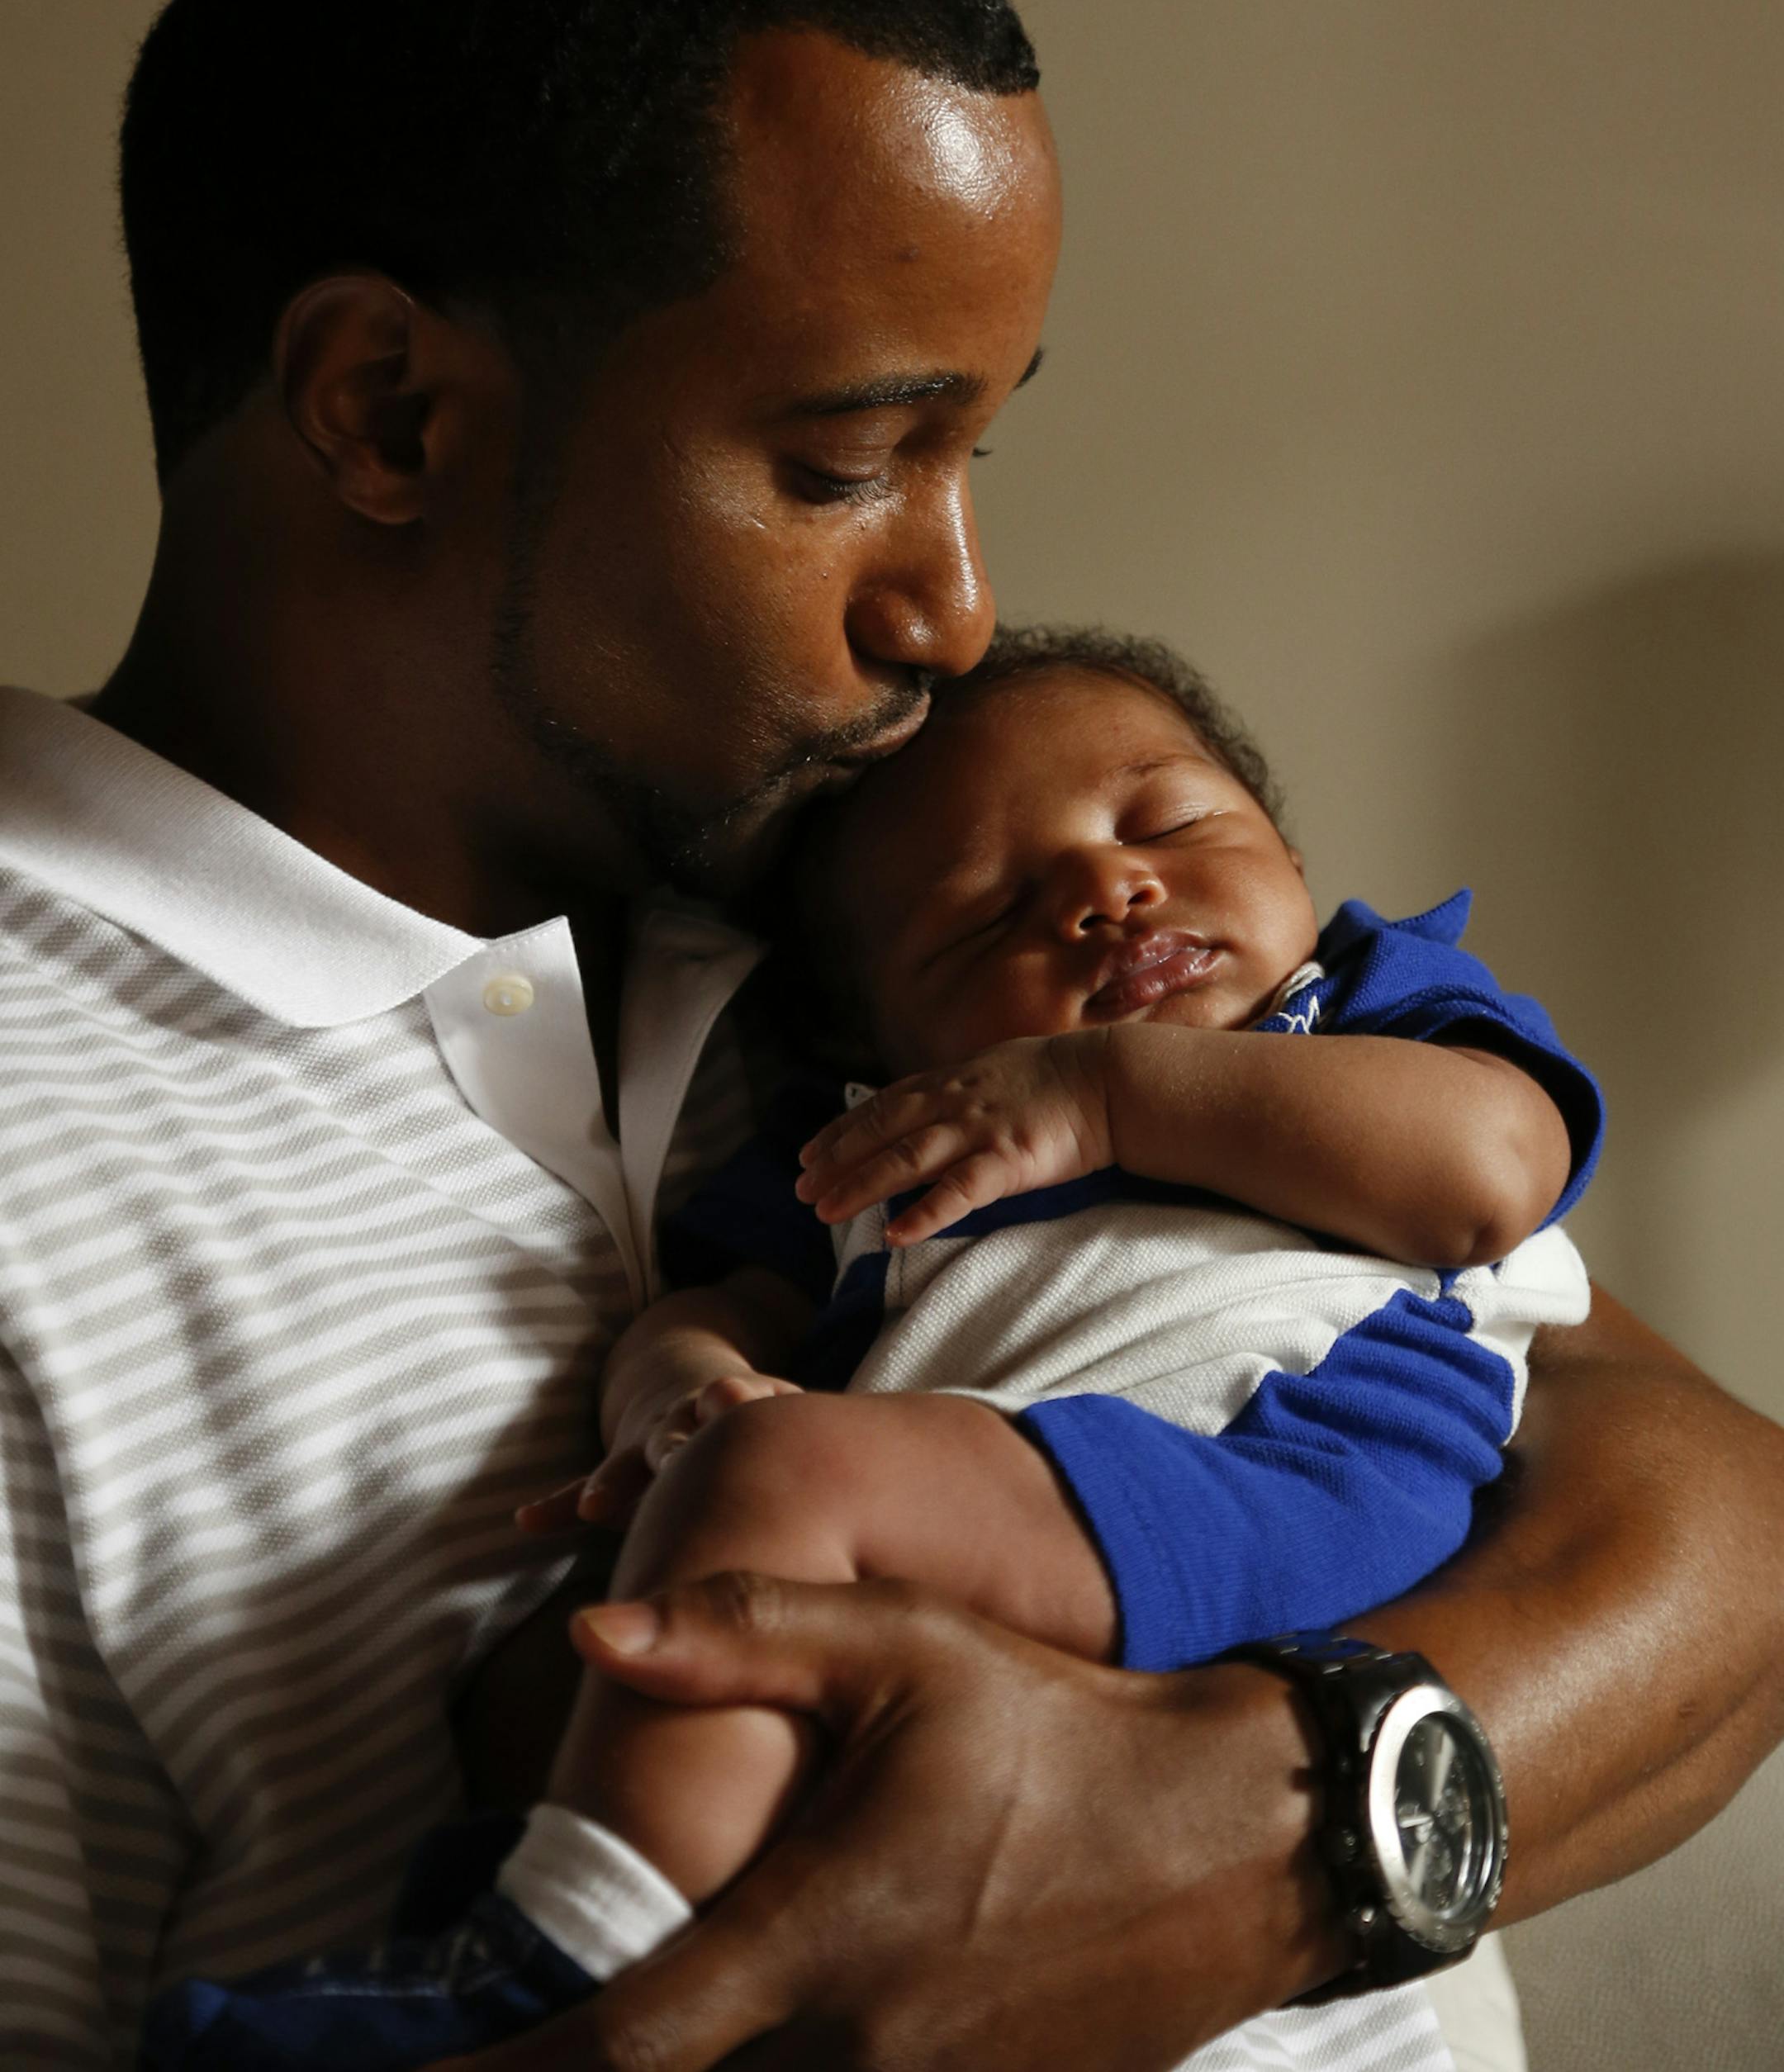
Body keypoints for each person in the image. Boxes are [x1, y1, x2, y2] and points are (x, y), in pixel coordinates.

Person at [1, 0, 1781, 2072]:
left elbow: (1704, 1489)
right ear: (392, 410)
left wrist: (1247, 1837)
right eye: (846, 463)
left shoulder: (885, 923)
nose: (959, 610)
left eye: (976, 453)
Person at [143, 621, 1601, 2067]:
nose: (1104, 886)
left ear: (1288, 851)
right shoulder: (894, 1137)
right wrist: (684, 1390)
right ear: (880, 1040)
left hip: (1282, 1481)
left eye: (1169, 817)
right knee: (640, 1617)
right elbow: (716, 1308)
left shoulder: (1357, 1012)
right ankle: (626, 1933)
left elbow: (1489, 1168)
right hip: (1011, 1529)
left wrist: (1106, 1092)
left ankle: (543, 1971)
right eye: (985, 917)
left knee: (793, 1490)